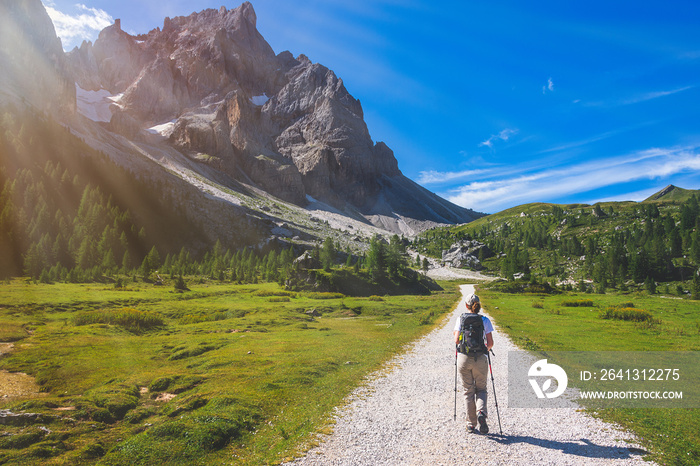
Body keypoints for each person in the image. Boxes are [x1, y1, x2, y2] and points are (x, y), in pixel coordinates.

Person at [453, 293, 494, 434]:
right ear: (478, 305)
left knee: (468, 391)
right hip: (480, 358)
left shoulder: (461, 319)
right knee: (481, 389)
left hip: (464, 358)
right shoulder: (485, 320)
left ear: (466, 305)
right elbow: (490, 343)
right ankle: (481, 412)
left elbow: (456, 341)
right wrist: (485, 349)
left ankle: (471, 424)